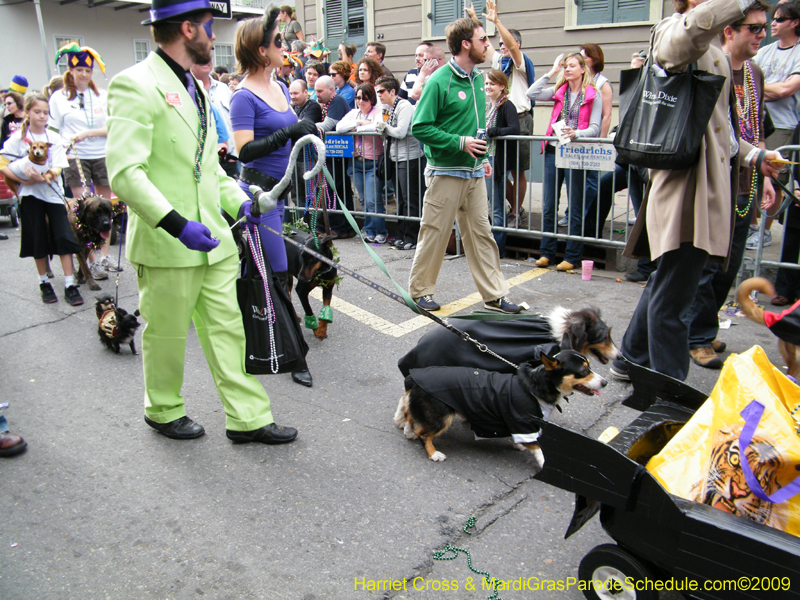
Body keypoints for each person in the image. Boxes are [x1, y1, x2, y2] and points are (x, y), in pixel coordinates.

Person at [106, 0, 297, 444]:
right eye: (210, 29)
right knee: (168, 336)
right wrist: (175, 224)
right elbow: (125, 174)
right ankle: (164, 409)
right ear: (187, 29)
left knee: (229, 331)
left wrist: (242, 201)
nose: (215, 38)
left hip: (214, 239)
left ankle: (247, 418)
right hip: (168, 242)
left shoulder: (198, 89)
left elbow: (209, 171)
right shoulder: (133, 85)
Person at [612, 0, 782, 382]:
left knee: (668, 284)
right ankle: (671, 390)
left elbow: (723, 129)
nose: (759, 32)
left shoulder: (714, 54)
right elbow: (684, 38)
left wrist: (756, 157)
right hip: (688, 195)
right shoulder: (675, 32)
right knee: (675, 301)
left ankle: (630, 359)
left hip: (703, 192)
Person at [685, 0, 776, 369]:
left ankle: (704, 327)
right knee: (707, 268)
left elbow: (756, 126)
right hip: (716, 184)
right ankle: (696, 337)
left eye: (763, 27)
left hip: (748, 181)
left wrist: (765, 174)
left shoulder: (754, 73)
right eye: (754, 28)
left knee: (729, 267)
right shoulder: (713, 67)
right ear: (729, 31)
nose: (762, 34)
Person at [409, 16, 521, 314]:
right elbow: (420, 126)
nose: (488, 44)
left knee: (481, 235)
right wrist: (461, 143)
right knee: (434, 232)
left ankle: (495, 294)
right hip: (444, 172)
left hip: (473, 173)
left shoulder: (478, 79)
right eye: (483, 39)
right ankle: (420, 293)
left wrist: (482, 157)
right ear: (465, 44)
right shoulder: (439, 80)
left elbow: (477, 127)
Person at [231, 8, 317, 387]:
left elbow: (290, 135)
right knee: (278, 272)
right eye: (278, 41)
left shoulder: (281, 87)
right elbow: (244, 152)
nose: (285, 46)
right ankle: (294, 353)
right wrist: (291, 132)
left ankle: (255, 336)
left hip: (282, 191)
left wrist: (307, 134)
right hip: (257, 194)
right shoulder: (242, 97)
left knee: (261, 272)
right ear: (261, 49)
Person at [0, 94, 83, 306]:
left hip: (53, 194)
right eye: (37, 112)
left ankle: (69, 284)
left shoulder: (53, 138)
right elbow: (3, 163)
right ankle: (43, 282)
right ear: (27, 112)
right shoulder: (17, 139)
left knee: (64, 236)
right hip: (30, 196)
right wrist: (23, 181)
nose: (42, 116)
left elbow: (58, 164)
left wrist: (46, 176)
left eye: (46, 112)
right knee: (37, 239)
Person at [49, 43, 120, 280]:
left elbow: (111, 126)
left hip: (101, 153)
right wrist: (62, 148)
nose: (83, 74)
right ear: (70, 71)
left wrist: (88, 134)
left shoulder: (101, 95)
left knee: (106, 205)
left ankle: (105, 256)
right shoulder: (59, 97)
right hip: (75, 156)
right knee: (83, 209)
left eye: (87, 70)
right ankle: (92, 261)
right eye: (78, 69)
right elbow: (52, 130)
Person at [527, 52, 602, 272]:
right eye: (565, 66)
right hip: (553, 150)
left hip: (575, 152)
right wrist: (552, 71)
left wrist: (577, 133)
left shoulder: (592, 94)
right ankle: (546, 253)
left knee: (575, 204)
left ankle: (572, 255)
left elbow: (595, 128)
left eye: (571, 66)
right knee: (549, 204)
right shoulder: (560, 91)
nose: (567, 70)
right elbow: (532, 93)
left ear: (582, 69)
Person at [477, 0, 535, 227]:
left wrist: (497, 21)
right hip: (499, 118)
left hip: (519, 119)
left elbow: (512, 48)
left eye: (506, 43)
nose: (502, 46)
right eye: (500, 43)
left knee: (516, 170)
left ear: (516, 43)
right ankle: (516, 208)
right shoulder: (499, 61)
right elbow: (486, 45)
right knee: (499, 171)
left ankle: (515, 213)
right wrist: (476, 19)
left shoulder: (520, 62)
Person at [750, 0, 800, 253]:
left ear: (795, 22)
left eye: (779, 19)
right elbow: (747, 79)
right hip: (757, 119)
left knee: (772, 175)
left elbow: (786, 90)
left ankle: (766, 231)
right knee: (750, 173)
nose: (773, 25)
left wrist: (759, 88)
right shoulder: (765, 50)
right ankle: (753, 225)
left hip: (782, 124)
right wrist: (763, 90)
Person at [376, 75, 425, 250]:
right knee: (401, 200)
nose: (379, 94)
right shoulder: (388, 107)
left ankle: (412, 237)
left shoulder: (404, 106)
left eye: (381, 91)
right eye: (377, 91)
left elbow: (401, 132)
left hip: (409, 158)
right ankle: (403, 234)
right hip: (396, 158)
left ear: (392, 91)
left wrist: (383, 127)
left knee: (410, 199)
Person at [336, 83, 388, 243]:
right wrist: (358, 124)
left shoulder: (379, 112)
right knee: (364, 199)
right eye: (358, 98)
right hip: (356, 163)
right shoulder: (354, 113)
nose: (360, 101)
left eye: (364, 98)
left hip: (373, 161)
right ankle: (369, 229)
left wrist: (358, 129)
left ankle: (381, 230)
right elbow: (339, 128)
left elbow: (379, 127)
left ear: (371, 99)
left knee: (373, 199)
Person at [314, 75, 357, 238]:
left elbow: (327, 126)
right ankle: (340, 226)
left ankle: (342, 227)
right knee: (335, 189)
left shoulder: (337, 102)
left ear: (331, 90)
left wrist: (306, 125)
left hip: (339, 154)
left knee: (337, 189)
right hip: (333, 154)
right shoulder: (329, 104)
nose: (316, 94)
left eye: (320, 91)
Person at [484, 69, 519, 259]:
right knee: (485, 204)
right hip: (485, 158)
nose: (488, 87)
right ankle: (489, 244)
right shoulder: (487, 106)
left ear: (502, 86)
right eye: (486, 83)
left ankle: (499, 248)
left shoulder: (507, 106)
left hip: (497, 159)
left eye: (492, 84)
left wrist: (493, 131)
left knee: (497, 206)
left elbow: (514, 129)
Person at [191, 58, 237, 176]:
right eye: (200, 57)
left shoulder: (223, 88)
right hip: (202, 163)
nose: (205, 59)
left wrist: (234, 155)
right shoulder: (189, 90)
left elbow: (234, 120)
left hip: (228, 159)